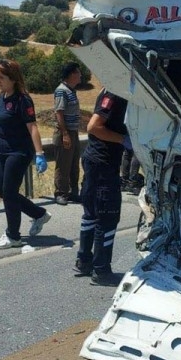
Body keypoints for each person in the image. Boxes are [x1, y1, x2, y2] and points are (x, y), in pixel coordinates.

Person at [0, 59, 51, 250]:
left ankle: (13, 235)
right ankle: (38, 214)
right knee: (1, 191)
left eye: (1, 77)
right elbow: (2, 122)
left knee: (9, 193)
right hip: (3, 150)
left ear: (13, 79)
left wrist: (39, 153)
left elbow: (32, 127)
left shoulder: (23, 100)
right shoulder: (2, 96)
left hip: (19, 151)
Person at [75, 88, 130, 285]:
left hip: (94, 161)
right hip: (103, 163)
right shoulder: (116, 93)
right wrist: (123, 140)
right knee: (107, 216)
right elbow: (94, 126)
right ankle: (102, 270)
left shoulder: (109, 89)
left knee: (91, 212)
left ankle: (84, 260)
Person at [53, 62, 82, 205]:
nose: (80, 75)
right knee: (63, 164)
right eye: (78, 72)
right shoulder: (61, 90)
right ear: (71, 74)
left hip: (73, 131)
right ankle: (61, 193)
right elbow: (59, 113)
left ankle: (72, 192)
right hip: (66, 131)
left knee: (74, 163)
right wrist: (65, 134)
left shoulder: (71, 91)